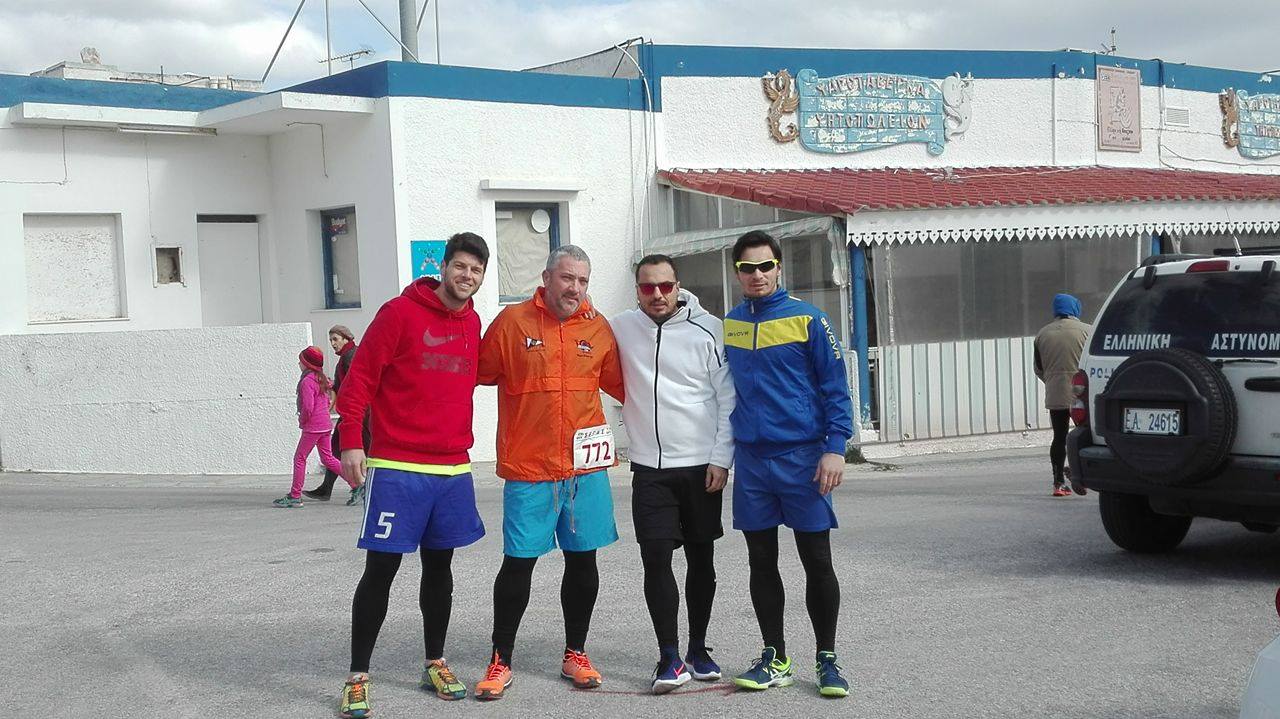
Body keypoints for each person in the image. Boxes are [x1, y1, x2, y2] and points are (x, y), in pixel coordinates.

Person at [333, 232, 491, 718]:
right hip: (398, 466)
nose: (467, 276)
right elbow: (359, 380)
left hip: (452, 467)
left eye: (476, 270)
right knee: (381, 571)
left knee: (440, 570)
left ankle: (434, 662)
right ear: (442, 267)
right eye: (460, 266)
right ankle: (358, 676)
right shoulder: (398, 313)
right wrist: (352, 442)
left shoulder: (473, 322)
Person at [472, 245, 625, 701]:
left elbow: (629, 386)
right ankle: (501, 659)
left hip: (584, 471)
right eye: (567, 278)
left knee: (583, 562)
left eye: (582, 280)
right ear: (546, 278)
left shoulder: (598, 328)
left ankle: (575, 652)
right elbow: (470, 373)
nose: (575, 288)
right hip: (530, 467)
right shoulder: (512, 323)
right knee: (518, 564)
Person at [723, 230, 853, 698]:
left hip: (804, 459)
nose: (756, 275)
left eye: (765, 266)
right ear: (737, 272)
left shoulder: (810, 319)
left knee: (816, 559)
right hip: (752, 462)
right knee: (761, 561)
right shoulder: (730, 325)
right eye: (747, 268)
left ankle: (827, 659)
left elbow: (836, 386)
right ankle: (774, 656)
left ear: (779, 268)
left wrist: (835, 446)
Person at [609, 254, 735, 694]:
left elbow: (728, 398)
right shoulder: (621, 327)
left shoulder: (710, 329)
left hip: (701, 467)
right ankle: (669, 656)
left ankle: (698, 649)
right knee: (655, 558)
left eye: (665, 286)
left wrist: (721, 458)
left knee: (701, 560)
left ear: (678, 286)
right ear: (637, 291)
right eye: (648, 288)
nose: (658, 295)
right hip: (650, 468)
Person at [273, 346, 352, 508]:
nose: (299, 364)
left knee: (300, 458)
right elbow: (328, 398)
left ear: (307, 364)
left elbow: (308, 407)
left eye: (301, 361)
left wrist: (303, 420)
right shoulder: (321, 378)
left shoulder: (307, 381)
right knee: (328, 458)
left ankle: (295, 495)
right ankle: (357, 485)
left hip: (313, 426)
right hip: (325, 424)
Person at [304, 325, 370, 505]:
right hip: (353, 412)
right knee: (335, 449)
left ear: (346, 339)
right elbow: (340, 387)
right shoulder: (345, 358)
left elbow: (356, 386)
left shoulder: (351, 356)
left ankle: (362, 487)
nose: (332, 343)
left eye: (336, 339)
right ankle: (327, 488)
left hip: (359, 414)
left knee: (365, 451)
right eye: (331, 340)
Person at [1034, 293, 1090, 497]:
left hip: (1055, 393)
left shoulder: (1042, 334)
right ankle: (1080, 474)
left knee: (1059, 437)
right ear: (1075, 308)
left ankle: (1058, 483)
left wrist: (1052, 381)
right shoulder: (1087, 331)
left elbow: (1038, 368)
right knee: (1085, 435)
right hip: (1081, 394)